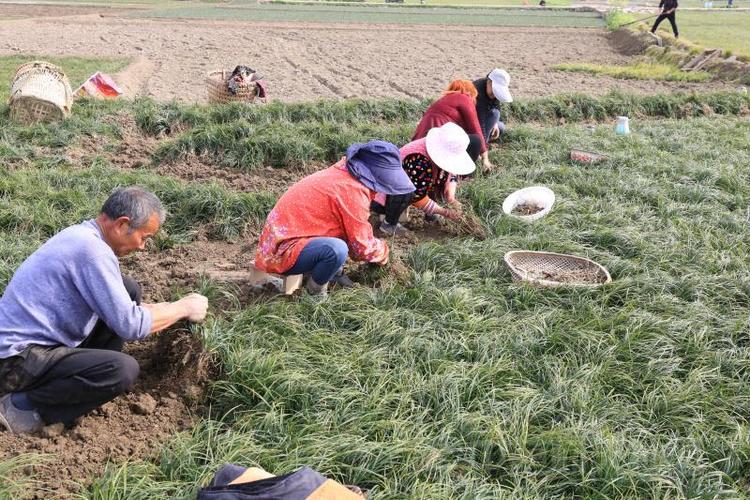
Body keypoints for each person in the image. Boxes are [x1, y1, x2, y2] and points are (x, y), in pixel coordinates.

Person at [0, 187, 209, 435]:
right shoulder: (92, 252)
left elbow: (122, 308)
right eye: (145, 237)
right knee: (121, 370)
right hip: (15, 363)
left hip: (32, 349)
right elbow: (130, 325)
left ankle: (86, 382)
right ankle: (19, 406)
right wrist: (183, 307)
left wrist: (164, 309)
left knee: (127, 289)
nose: (143, 247)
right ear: (122, 225)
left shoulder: (84, 236)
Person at [254, 140, 415, 297]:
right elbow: (361, 247)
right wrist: (383, 253)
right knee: (336, 250)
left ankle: (331, 272)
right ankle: (314, 292)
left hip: (284, 238)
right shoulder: (351, 190)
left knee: (344, 231)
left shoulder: (344, 173)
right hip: (281, 251)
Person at [372, 122, 479, 235]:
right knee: (407, 191)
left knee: (440, 178)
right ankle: (389, 224)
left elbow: (450, 174)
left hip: (411, 183)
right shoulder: (419, 160)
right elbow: (417, 197)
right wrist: (444, 212)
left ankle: (430, 213)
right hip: (383, 193)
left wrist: (451, 197)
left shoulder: (438, 148)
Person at [412, 79, 493, 172]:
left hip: (420, 145)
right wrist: (485, 158)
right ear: (471, 92)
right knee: (476, 140)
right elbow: (475, 129)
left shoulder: (442, 101)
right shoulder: (464, 98)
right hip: (438, 145)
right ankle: (463, 175)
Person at [472, 69, 513, 156]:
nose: (495, 95)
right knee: (495, 115)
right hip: (470, 123)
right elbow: (480, 123)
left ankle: (481, 142)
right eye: (495, 91)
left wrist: (494, 124)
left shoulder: (490, 90)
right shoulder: (478, 93)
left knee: (500, 127)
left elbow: (496, 105)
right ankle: (478, 147)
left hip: (481, 118)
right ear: (489, 82)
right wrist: (483, 152)